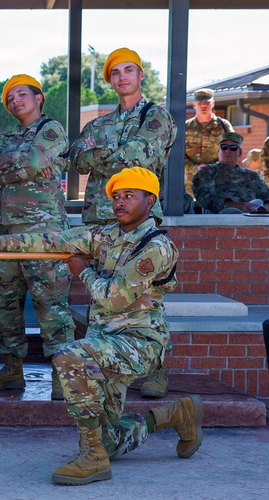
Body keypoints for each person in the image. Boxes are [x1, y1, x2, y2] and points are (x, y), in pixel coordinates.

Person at [0, 167, 203, 486]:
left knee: (70, 357)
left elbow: (113, 298)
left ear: (150, 200)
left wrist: (82, 271)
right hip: (106, 344)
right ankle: (174, 415)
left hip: (139, 343)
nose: (120, 202)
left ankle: (92, 458)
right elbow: (49, 239)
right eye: (116, 196)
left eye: (129, 196)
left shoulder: (156, 248)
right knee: (111, 439)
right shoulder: (106, 235)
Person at [69, 47, 176, 398]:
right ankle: (104, 362)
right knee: (103, 295)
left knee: (146, 297)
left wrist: (104, 154)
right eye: (115, 73)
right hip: (101, 220)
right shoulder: (99, 123)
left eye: (128, 70)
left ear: (140, 75)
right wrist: (119, 152)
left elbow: (142, 155)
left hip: (141, 224)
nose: (122, 77)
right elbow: (78, 158)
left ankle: (156, 367)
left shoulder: (157, 117)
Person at [0, 75, 74, 399]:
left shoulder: (51, 130)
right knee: (6, 303)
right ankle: (12, 368)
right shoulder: (3, 138)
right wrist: (26, 165)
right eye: (10, 98)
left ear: (39, 97)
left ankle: (63, 374)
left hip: (42, 231)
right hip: (2, 230)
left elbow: (31, 160)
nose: (16, 100)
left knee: (51, 304)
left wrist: (12, 170)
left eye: (22, 94)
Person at [192, 132, 269, 214]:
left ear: (239, 152)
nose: (228, 151)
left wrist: (268, 206)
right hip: (219, 219)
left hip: (252, 217)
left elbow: (266, 197)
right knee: (232, 212)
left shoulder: (252, 176)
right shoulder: (206, 172)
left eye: (233, 148)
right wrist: (237, 206)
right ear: (218, 151)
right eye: (224, 147)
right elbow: (204, 199)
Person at [184, 88, 234, 199]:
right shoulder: (185, 127)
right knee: (191, 211)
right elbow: (177, 154)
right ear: (194, 105)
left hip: (218, 179)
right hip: (191, 182)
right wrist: (194, 168)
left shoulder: (224, 126)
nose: (203, 106)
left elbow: (233, 151)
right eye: (200, 103)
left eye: (207, 103)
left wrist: (213, 167)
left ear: (213, 104)